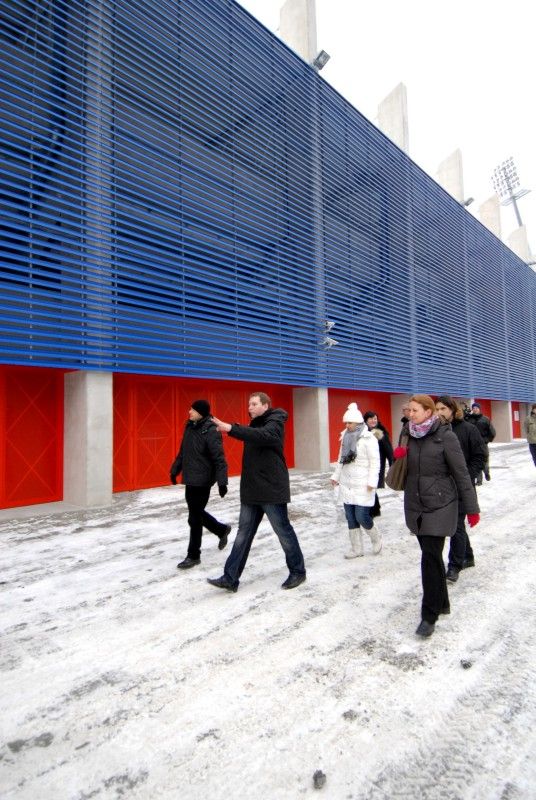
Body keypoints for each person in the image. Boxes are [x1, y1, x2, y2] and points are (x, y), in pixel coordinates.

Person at [396, 394, 480, 638]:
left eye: (414, 411)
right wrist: (399, 456)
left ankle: (429, 614)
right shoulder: (407, 434)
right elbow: (401, 468)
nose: (409, 414)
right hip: (416, 504)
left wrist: (472, 509)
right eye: (408, 410)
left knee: (430, 557)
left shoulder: (446, 436)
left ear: (429, 412)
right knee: (430, 556)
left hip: (441, 504)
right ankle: (442, 603)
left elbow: (462, 473)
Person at [207, 392, 306, 592]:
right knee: (243, 534)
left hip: (271, 489)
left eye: (254, 404)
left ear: (265, 405)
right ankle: (230, 577)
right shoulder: (255, 425)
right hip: (252, 490)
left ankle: (298, 571)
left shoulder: (275, 422)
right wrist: (231, 429)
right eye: (249, 404)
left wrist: (231, 428)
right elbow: (253, 435)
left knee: (283, 531)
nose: (249, 407)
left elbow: (264, 436)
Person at [170, 400, 231, 569]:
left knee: (194, 517)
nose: (189, 411)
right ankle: (221, 530)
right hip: (190, 478)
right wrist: (175, 470)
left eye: (192, 409)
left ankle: (193, 555)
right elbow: (183, 451)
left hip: (203, 480)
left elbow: (219, 458)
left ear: (200, 412)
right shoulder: (190, 426)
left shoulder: (211, 430)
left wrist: (222, 482)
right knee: (195, 514)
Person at [435, 395, 487, 582]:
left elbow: (480, 456)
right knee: (457, 526)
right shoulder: (436, 431)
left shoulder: (468, 429)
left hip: (462, 487)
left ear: (452, 409)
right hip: (443, 487)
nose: (439, 412)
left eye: (443, 409)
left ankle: (454, 565)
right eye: (437, 409)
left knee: (455, 525)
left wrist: (466, 475)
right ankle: (468, 556)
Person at [331, 403, 381, 558]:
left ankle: (376, 537)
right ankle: (357, 549)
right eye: (346, 423)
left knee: (362, 516)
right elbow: (341, 459)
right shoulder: (344, 437)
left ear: (358, 422)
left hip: (363, 484)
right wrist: (336, 476)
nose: (347, 425)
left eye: (349, 422)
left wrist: (373, 481)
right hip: (347, 483)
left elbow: (375, 462)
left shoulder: (368, 438)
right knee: (350, 518)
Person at [363, 411, 394, 488]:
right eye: (371, 418)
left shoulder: (381, 433)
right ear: (366, 420)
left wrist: (392, 466)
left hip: (378, 466)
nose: (373, 420)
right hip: (364, 465)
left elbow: (389, 452)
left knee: (375, 489)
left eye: (375, 419)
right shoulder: (362, 433)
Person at [468, 403, 496, 483]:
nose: (475, 409)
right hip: (472, 444)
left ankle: (486, 472)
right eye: (474, 408)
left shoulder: (485, 419)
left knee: (484, 460)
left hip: (483, 444)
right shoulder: (469, 419)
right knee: (476, 461)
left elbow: (492, 432)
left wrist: (487, 440)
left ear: (479, 409)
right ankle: (479, 480)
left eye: (477, 408)